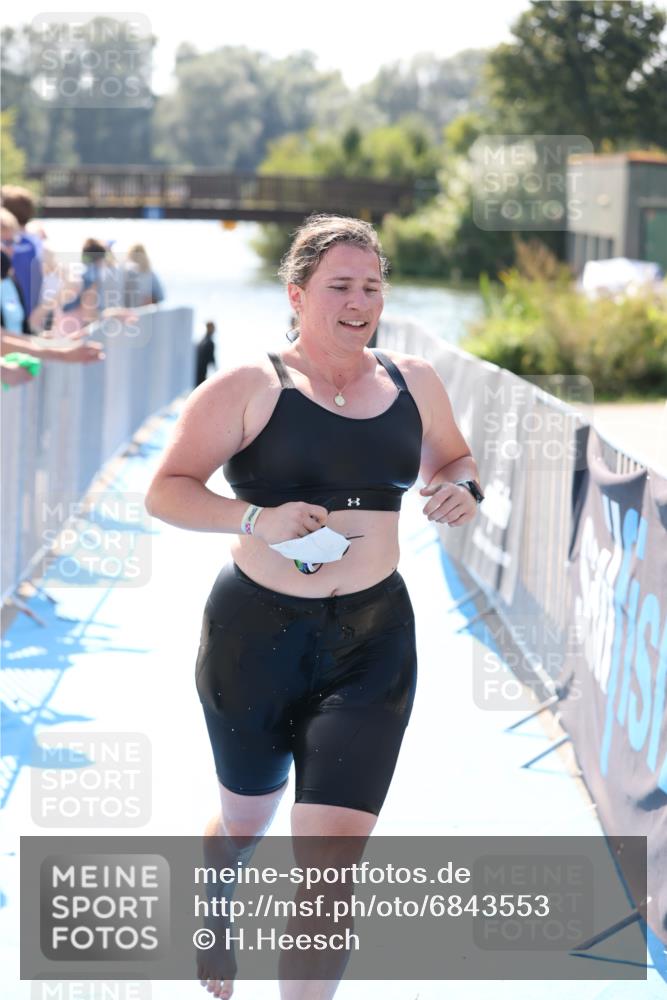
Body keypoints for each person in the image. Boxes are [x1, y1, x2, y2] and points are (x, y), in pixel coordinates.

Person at [144, 214, 483, 1000]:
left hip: (372, 640)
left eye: (371, 285)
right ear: (297, 294)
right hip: (253, 636)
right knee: (245, 822)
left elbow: (457, 459)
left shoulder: (412, 380)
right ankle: (215, 901)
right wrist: (253, 517)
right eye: (340, 285)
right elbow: (166, 491)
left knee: (330, 870)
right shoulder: (248, 387)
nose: (359, 300)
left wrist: (460, 489)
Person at [123, 242, 165, 307]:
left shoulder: (151, 275)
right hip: (131, 312)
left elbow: (160, 297)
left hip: (144, 312)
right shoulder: (126, 274)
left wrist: (151, 300)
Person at [194, 320, 217, 386]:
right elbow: (212, 360)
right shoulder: (209, 343)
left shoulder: (200, 342)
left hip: (195, 374)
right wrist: (218, 374)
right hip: (202, 374)